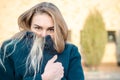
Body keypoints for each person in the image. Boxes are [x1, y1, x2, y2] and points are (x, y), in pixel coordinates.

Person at [0, 2, 84, 80]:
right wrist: (44, 77)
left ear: (58, 29)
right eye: (38, 28)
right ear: (29, 26)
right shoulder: (10, 49)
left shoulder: (70, 51)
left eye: (51, 29)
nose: (44, 34)